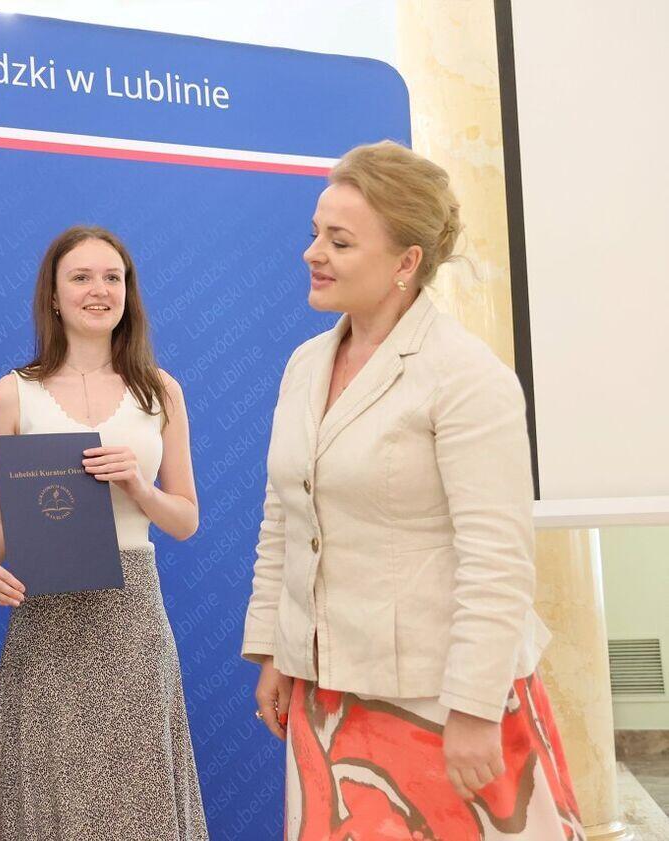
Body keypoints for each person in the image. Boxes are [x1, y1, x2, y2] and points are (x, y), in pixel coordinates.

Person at [242, 140, 584, 839]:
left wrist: (475, 708)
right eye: (315, 233)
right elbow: (284, 519)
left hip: (443, 703)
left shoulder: (466, 376)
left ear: (406, 262)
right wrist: (275, 651)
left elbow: (497, 560)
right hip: (327, 697)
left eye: (339, 241)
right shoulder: (305, 365)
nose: (313, 253)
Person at [0, 225, 208, 840]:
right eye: (81, 277)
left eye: (112, 278)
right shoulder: (10, 395)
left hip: (133, 621)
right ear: (53, 296)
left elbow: (185, 519)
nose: (99, 290)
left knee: (139, 803)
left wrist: (139, 488)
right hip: (47, 620)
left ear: (129, 292)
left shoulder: (160, 391)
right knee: (49, 797)